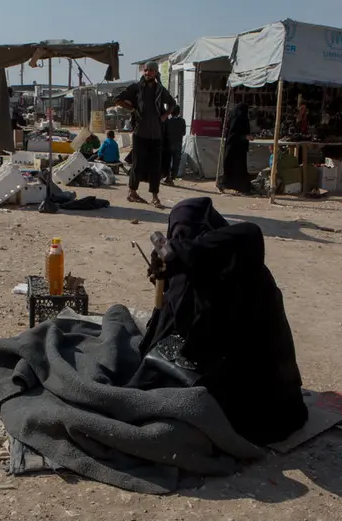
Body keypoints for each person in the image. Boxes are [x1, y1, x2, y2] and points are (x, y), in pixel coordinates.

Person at [140, 197, 308, 445]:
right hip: (280, 404)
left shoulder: (239, 266)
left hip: (252, 411)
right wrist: (166, 278)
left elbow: (250, 232)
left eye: (184, 234)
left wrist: (185, 256)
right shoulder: (215, 266)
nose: (180, 239)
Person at [115, 61, 176, 209]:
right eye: (146, 70)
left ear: (155, 73)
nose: (147, 73)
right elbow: (117, 99)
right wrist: (132, 109)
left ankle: (155, 196)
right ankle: (132, 192)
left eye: (151, 71)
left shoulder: (160, 90)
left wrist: (164, 116)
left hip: (156, 134)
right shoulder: (136, 87)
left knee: (155, 166)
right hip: (140, 133)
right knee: (137, 164)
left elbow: (173, 104)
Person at [218, 102, 253, 194]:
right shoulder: (238, 119)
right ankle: (229, 185)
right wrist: (244, 137)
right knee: (235, 169)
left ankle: (241, 187)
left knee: (238, 169)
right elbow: (233, 135)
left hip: (238, 149)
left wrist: (246, 136)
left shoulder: (239, 118)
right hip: (234, 149)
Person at [162, 105, 186, 186]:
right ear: (179, 112)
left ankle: (167, 177)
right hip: (178, 144)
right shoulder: (182, 121)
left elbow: (164, 133)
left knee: (167, 162)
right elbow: (184, 133)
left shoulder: (167, 121)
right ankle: (172, 178)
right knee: (176, 162)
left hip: (168, 144)